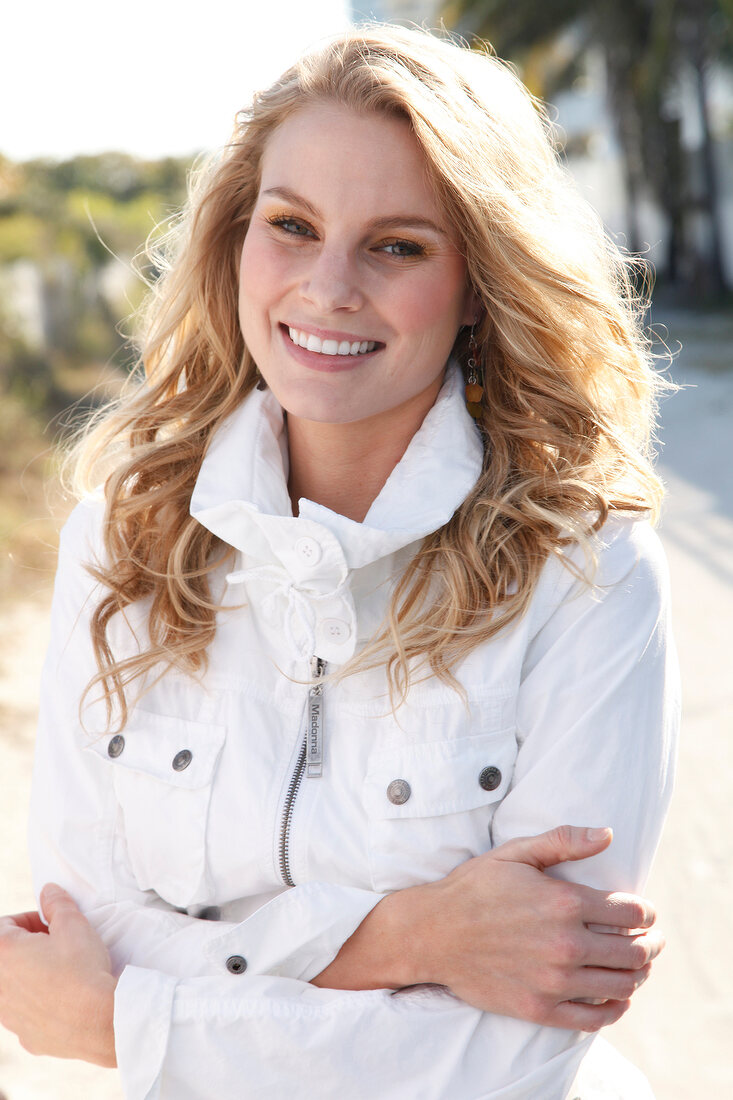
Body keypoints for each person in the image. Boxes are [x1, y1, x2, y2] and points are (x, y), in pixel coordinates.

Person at [0, 24, 678, 1100]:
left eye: (397, 244)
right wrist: (409, 938)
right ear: (234, 241)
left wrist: (132, 1021)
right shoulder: (118, 542)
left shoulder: (584, 568)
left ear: (477, 284)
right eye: (292, 226)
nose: (327, 286)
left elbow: (518, 1046)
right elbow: (77, 935)